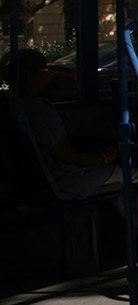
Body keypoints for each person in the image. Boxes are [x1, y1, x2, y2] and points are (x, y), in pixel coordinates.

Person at [3, 49, 122, 200]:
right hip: (62, 179)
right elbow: (66, 154)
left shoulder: (13, 106)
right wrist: (103, 159)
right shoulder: (40, 112)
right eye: (44, 70)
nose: (48, 75)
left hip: (38, 180)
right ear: (32, 75)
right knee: (134, 175)